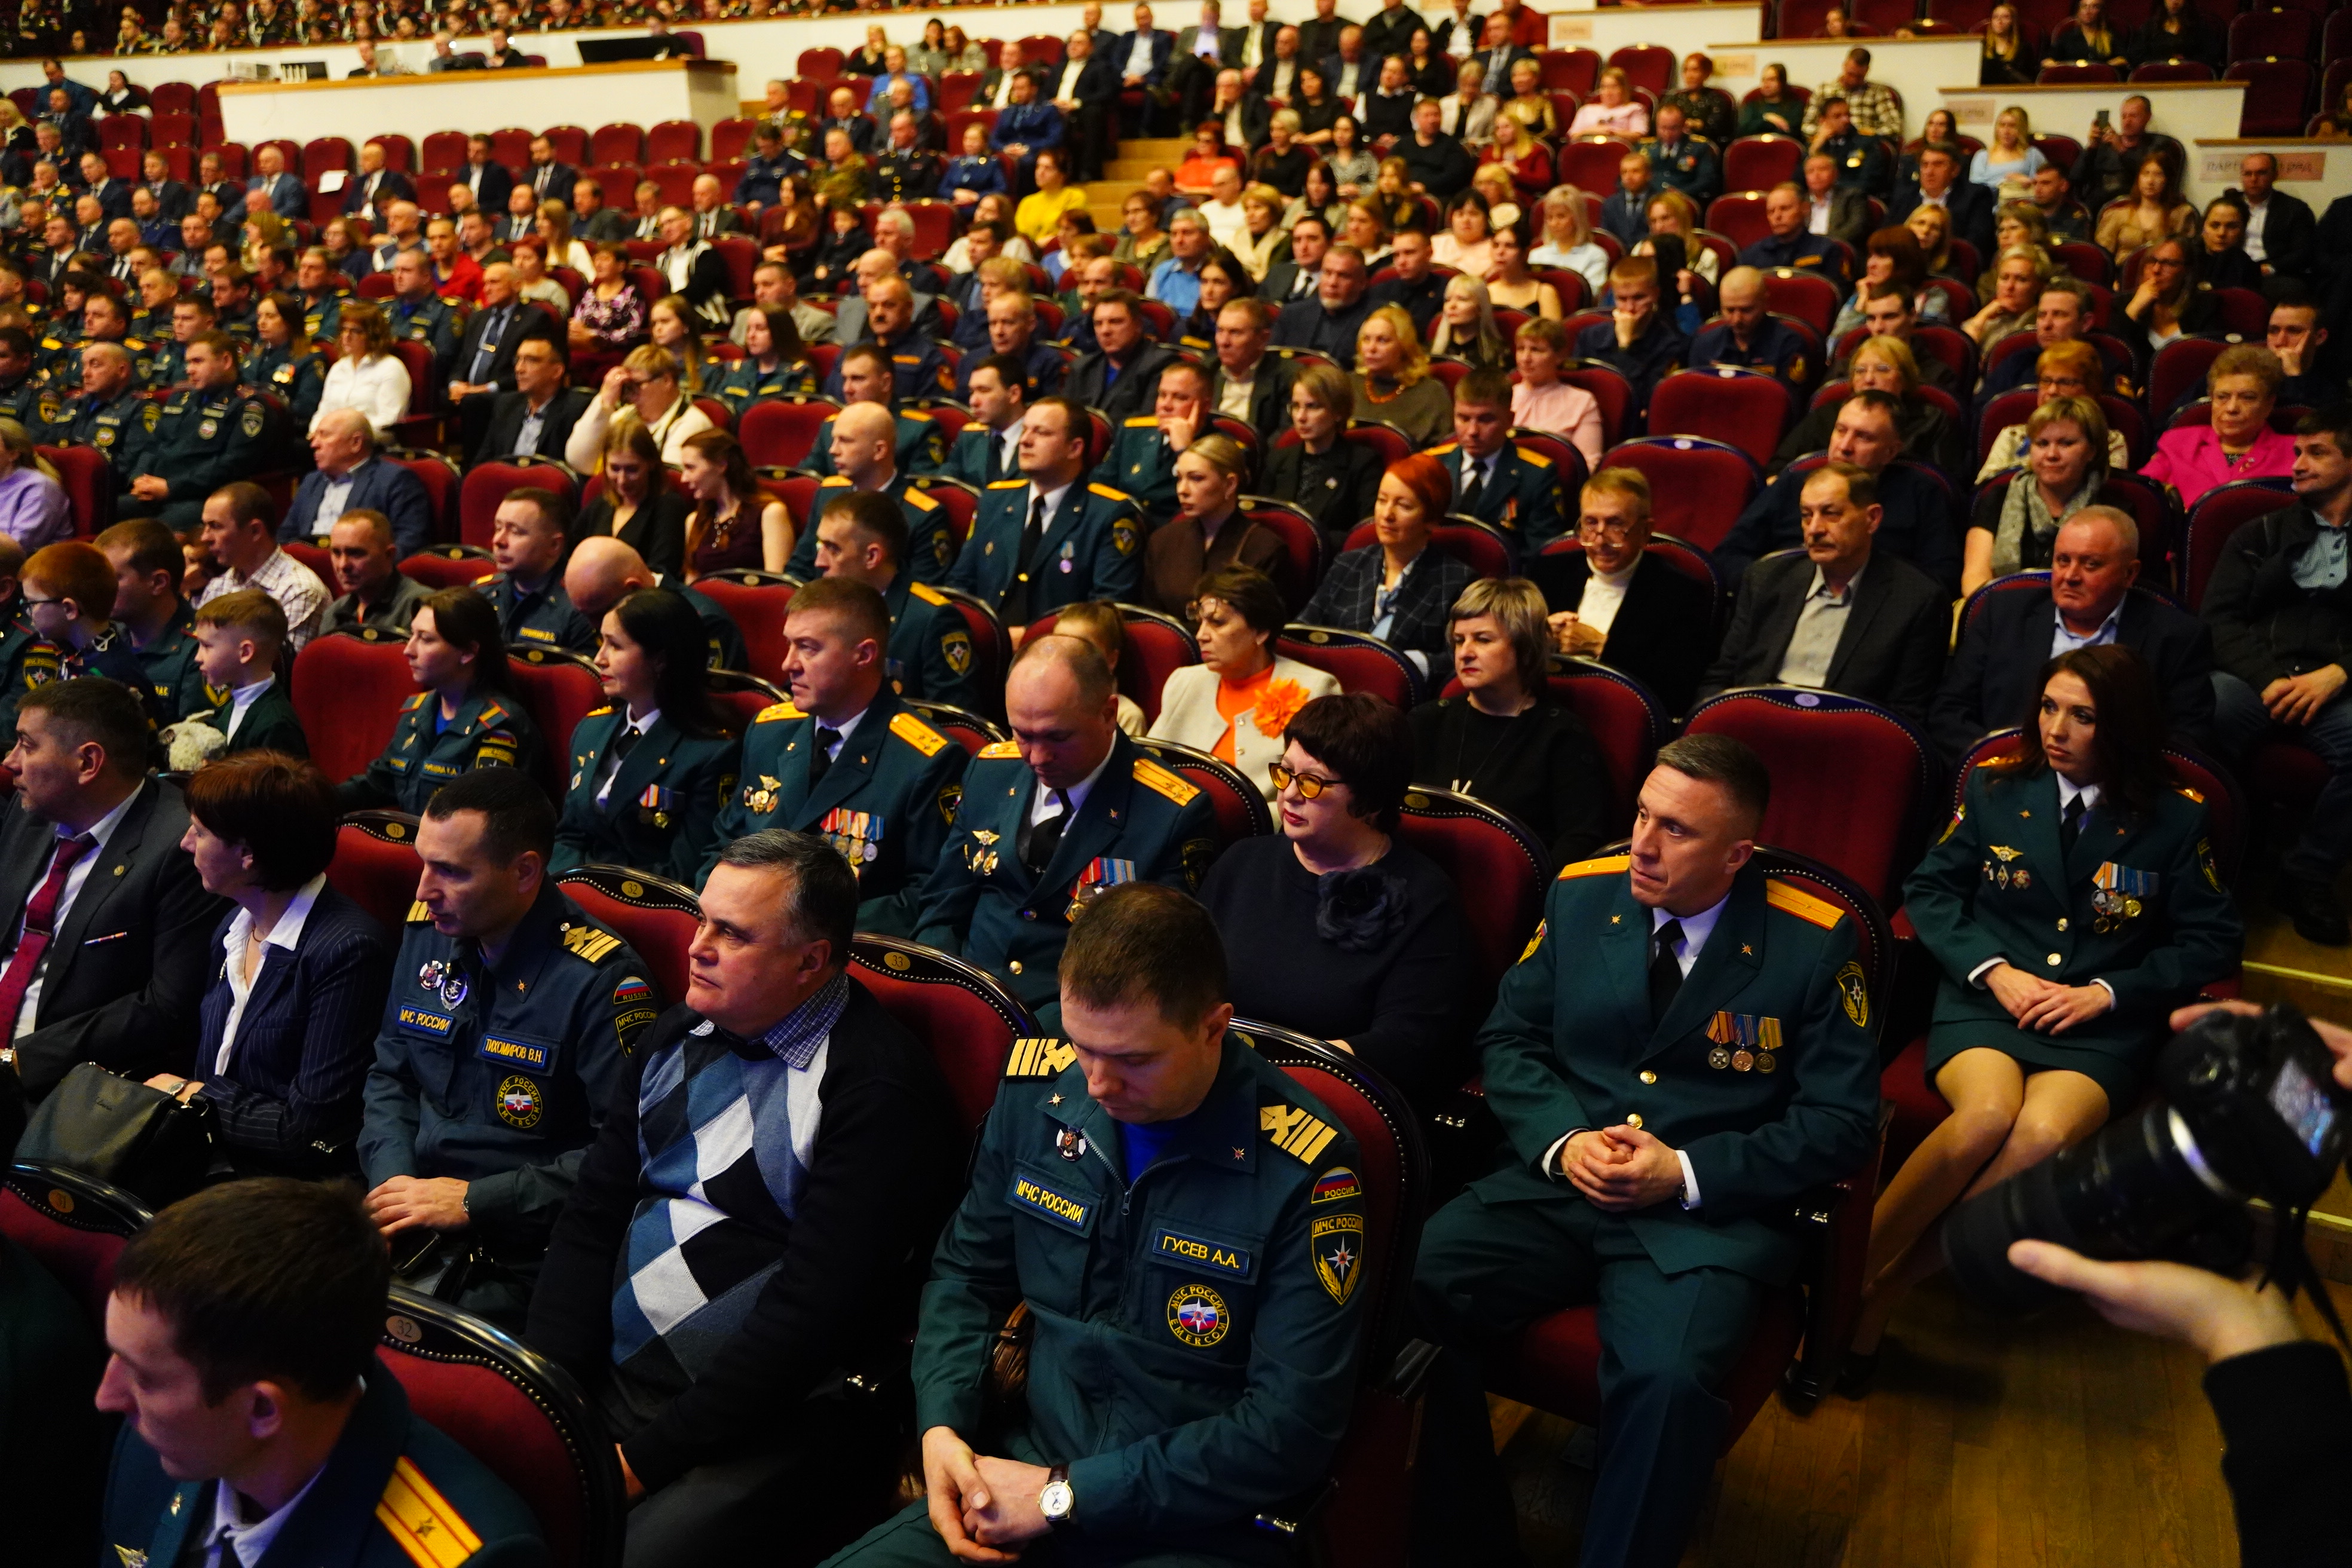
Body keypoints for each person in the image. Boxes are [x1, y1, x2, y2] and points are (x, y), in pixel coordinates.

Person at [1410, 731, 1879, 1568]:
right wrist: (1564, 1141)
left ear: (1737, 854)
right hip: (1557, 1186)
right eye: (1641, 815)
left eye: (1676, 830)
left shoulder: (1813, 941)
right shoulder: (1581, 894)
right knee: (1406, 1290)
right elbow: (1511, 1039)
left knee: (1665, 1385)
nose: (1643, 844)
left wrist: (1686, 1172)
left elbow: (1841, 1123)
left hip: (1702, 1221)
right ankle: (1469, 1542)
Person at [831, 876, 1368, 1565]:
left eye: (1133, 1059)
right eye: (1082, 1045)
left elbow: (1288, 1427)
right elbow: (966, 1275)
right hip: (1016, 1469)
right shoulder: (1038, 1092)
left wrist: (1065, 1495)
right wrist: (942, 1428)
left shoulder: (1306, 1169)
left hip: (1190, 1519)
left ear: (1213, 1026)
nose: (1096, 1083)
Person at [532, 825, 962, 1568]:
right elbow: (591, 1218)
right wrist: (551, 1398)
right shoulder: (675, 1033)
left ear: (810, 961)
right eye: (702, 920)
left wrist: (641, 1461)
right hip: (613, 1376)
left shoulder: (874, 1089)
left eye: (731, 933)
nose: (696, 946)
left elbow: (808, 1317)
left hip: (771, 1417)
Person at [1849, 646, 2242, 1380]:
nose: (2056, 729)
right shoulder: (1997, 787)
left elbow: (2211, 941)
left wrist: (2109, 992)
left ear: (2121, 726)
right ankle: (1840, 1276)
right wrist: (1993, 970)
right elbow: (1930, 891)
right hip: (1990, 998)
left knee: (2040, 1135)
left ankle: (1885, 1290)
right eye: (2049, 707)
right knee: (1983, 1118)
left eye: (2083, 716)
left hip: (2098, 1024)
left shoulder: (2174, 815)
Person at [97, 1180, 546, 1568]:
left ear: (262, 1409)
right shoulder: (163, 1441)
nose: (106, 1397)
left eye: (143, 1376)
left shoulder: (465, 1558)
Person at [359, 768, 653, 1328]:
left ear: (524, 872)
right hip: (406, 1203)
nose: (423, 890)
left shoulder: (602, 981)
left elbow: (621, 1155)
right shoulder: (429, 931)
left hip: (516, 1243)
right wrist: (394, 1185)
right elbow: (392, 1075)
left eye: (451, 871)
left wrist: (475, 1201)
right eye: (424, 863)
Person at [914, 636, 1218, 1025]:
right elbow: (943, 901)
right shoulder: (990, 772)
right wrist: (941, 986)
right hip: (966, 991)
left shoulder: (1171, 813)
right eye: (1022, 735)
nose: (1037, 757)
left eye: (1058, 737)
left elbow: (1154, 962)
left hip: (1074, 1021)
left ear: (1108, 714)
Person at [144, 751, 393, 1172]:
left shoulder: (348, 951)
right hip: (207, 1152)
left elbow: (303, 1131)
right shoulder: (233, 925)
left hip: (280, 1181)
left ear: (247, 854)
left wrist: (192, 1095)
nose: (185, 843)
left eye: (200, 832)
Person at [708, 575, 967, 936]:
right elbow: (725, 842)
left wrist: (802, 929)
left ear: (864, 655)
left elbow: (925, 896)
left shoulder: (925, 761)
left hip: (844, 949)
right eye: (789, 645)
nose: (788, 664)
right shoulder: (769, 732)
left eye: (808, 648)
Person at [0, 676, 222, 1096]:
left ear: (88, 762)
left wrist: (17, 1062)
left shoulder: (181, 848)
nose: (11, 762)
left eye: (27, 746)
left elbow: (165, 1008)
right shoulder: (32, 809)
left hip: (64, 1082)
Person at [2203, 406, 2352, 944]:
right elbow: (2217, 621)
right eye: (2297, 452)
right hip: (2251, 682)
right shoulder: (2259, 532)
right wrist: (2267, 679)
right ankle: (2208, 864)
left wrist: (2338, 674)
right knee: (2208, 706)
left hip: (2336, 691)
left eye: (2317, 453)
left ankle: (2306, 876)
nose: (2298, 464)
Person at [1935, 506, 2215, 764]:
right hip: (2004, 776)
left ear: (2129, 573)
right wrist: (2009, 763)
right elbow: (1950, 712)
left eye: (2090, 564)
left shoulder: (2176, 637)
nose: (2070, 576)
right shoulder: (2002, 614)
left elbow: (2186, 740)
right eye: (2063, 560)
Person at [1704, 462, 1951, 724]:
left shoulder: (1915, 599)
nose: (1814, 529)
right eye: (1806, 515)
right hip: (1753, 723)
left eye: (1831, 514)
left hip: (1846, 733)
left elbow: (1905, 714)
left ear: (1872, 519)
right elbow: (1722, 676)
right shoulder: (1766, 579)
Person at [1413, 577, 1614, 866]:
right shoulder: (1425, 721)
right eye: (1459, 640)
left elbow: (1579, 841)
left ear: (1524, 648)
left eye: (1483, 639)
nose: (1465, 653)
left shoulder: (1562, 737)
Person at [549, 589, 740, 886]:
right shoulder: (591, 730)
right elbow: (569, 836)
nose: (599, 659)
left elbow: (685, 871)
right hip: (576, 891)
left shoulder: (711, 751)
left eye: (615, 646)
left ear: (660, 659)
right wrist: (571, 887)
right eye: (601, 643)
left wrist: (599, 888)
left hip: (650, 901)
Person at [1717, 391, 1962, 593]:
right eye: (1841, 431)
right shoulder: (1793, 483)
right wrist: (1773, 589)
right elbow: (1730, 555)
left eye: (1863, 437)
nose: (1844, 447)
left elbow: (1942, 576)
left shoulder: (1921, 492)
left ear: (1890, 451)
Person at [337, 588, 543, 816]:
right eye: (412, 635)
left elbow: (478, 819)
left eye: (425, 639)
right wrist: (317, 798)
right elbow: (379, 783)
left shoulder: (501, 726)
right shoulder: (417, 712)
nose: (408, 650)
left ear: (467, 653)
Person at [949, 397, 1147, 624]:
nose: (1025, 441)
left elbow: (1105, 612)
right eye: (1024, 430)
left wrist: (1031, 637)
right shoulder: (995, 501)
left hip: (1060, 644)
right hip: (989, 640)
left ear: (1075, 448)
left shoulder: (1109, 515)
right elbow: (960, 584)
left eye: (1041, 433)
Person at [1149, 564, 1341, 795]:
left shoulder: (1315, 690)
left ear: (1261, 631)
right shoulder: (1184, 681)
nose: (1201, 636)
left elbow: (1316, 794)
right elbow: (1149, 764)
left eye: (1217, 623)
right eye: (1200, 623)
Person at [1299, 453, 1475, 673]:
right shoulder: (1348, 564)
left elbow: (1458, 659)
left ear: (1432, 519)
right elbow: (1302, 629)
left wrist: (1402, 664)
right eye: (1382, 501)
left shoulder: (1458, 581)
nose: (1387, 515)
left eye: (1404, 506)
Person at [1965, 396, 2140, 593]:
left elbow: (2114, 586)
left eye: (2066, 443)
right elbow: (1975, 579)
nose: (2051, 455)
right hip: (2004, 607)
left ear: (2092, 451)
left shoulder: (2115, 510)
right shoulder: (1997, 498)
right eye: (2042, 444)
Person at [1426, 368, 1568, 545]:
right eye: (1464, 419)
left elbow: (1539, 552)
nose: (1472, 431)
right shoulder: (1431, 464)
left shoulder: (1537, 476)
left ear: (1509, 420)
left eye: (1485, 420)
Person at [2142, 345, 2295, 507]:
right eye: (2222, 397)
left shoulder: (2295, 452)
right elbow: (2143, 497)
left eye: (2248, 398)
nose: (2232, 408)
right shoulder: (2178, 443)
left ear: (2269, 404)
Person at [282, 409, 433, 559]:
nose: (314, 444)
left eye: (324, 435)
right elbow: (285, 537)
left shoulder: (395, 480)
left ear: (356, 443)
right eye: (314, 437)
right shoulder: (312, 481)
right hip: (305, 569)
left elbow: (409, 543)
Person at [174, 589, 305, 760]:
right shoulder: (233, 705)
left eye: (207, 646)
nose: (198, 658)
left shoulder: (277, 725)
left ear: (245, 652)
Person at [1266, 360, 1383, 547]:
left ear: (1338, 412)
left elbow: (1364, 535)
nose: (1301, 417)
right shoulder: (1278, 459)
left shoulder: (1363, 463)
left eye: (1312, 407)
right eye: (1296, 406)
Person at [476, 488, 597, 654]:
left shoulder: (579, 607)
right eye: (498, 528)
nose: (498, 541)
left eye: (516, 532)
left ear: (554, 545)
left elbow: (587, 670)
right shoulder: (481, 593)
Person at [573, 418, 690, 581]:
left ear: (651, 464)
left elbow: (662, 572)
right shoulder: (600, 504)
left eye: (632, 470)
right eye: (615, 469)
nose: (622, 480)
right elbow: (571, 555)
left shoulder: (668, 507)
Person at [1575, 256, 1687, 414]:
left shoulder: (1673, 344)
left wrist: (1625, 347)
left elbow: (1642, 402)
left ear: (1656, 294)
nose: (1630, 308)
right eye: (1622, 299)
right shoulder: (1589, 337)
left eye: (1639, 298)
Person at [320, 509, 433, 642]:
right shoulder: (333, 613)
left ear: (389, 555)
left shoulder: (422, 608)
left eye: (356, 553)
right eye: (336, 553)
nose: (343, 565)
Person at [314, 302, 413, 439]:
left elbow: (388, 422)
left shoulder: (391, 368)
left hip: (371, 443)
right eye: (344, 330)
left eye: (355, 331)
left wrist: (343, 435)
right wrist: (316, 433)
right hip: (333, 441)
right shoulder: (339, 367)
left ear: (373, 335)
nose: (346, 336)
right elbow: (323, 412)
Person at [2095, 150, 2196, 261]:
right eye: (2145, 174)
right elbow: (2102, 258)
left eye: (2158, 175)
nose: (2150, 181)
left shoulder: (2179, 215)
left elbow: (2184, 256)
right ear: (2138, 178)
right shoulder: (2117, 215)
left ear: (2167, 180)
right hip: (2122, 269)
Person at [2231, 152, 2316, 281]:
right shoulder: (2229, 204)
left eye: (2261, 173)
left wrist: (2271, 268)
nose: (2254, 179)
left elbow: (2304, 252)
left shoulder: (2295, 209)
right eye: (2248, 174)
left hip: (2273, 272)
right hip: (2232, 268)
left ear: (2275, 175)